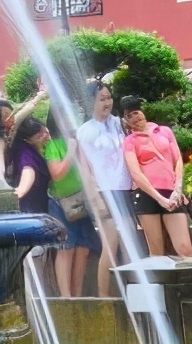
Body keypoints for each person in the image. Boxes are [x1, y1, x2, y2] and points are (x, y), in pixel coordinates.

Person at [76, 79, 135, 296]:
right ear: (91, 101)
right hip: (104, 193)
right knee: (110, 247)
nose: (107, 102)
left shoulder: (120, 124)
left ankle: (133, 293)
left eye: (109, 98)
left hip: (125, 190)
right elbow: (85, 169)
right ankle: (104, 298)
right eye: (102, 99)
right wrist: (95, 199)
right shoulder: (85, 131)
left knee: (130, 246)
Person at [121, 95, 192, 258]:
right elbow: (135, 173)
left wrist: (178, 188)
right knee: (156, 252)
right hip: (147, 195)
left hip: (171, 191)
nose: (135, 117)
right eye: (129, 115)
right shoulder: (129, 141)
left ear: (143, 112)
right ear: (125, 120)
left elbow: (178, 160)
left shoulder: (164, 131)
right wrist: (160, 199)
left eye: (136, 112)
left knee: (184, 248)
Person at [44, 109, 99, 297]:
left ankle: (77, 295)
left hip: (81, 202)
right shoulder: (53, 145)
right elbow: (57, 173)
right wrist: (70, 151)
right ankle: (66, 297)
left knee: (83, 248)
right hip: (61, 204)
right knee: (66, 248)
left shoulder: (79, 141)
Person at [0, 88, 45, 182]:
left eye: (10, 113)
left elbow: (26, 109)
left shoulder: (9, 128)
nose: (11, 117)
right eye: (5, 115)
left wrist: (40, 96)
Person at [12, 116, 53, 214]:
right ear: (27, 140)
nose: (45, 135)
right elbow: (28, 169)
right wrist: (21, 190)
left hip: (40, 203)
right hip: (32, 209)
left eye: (43, 130)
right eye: (39, 136)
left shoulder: (38, 148)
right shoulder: (25, 154)